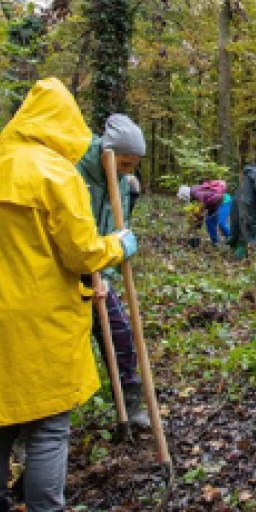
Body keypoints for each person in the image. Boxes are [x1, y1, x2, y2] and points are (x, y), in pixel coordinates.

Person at [0, 78, 137, 512]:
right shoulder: (55, 174)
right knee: (48, 429)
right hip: (39, 324)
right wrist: (120, 244)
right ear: (64, 124)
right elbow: (82, 253)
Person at [75, 114, 150, 429]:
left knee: (120, 332)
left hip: (100, 269)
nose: (129, 172)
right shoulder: (74, 173)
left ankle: (130, 407)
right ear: (107, 152)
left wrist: (105, 276)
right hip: (70, 271)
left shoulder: (119, 180)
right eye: (125, 163)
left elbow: (114, 227)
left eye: (133, 165)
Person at [229, 152, 256, 258]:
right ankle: (239, 254)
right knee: (247, 226)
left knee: (237, 224)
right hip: (247, 203)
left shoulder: (246, 172)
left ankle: (234, 246)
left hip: (237, 200)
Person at [179, 179, 231, 245]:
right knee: (209, 222)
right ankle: (215, 242)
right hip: (213, 205)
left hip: (224, 201)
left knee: (221, 222)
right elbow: (199, 208)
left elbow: (201, 207)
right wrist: (196, 219)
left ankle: (232, 238)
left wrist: (198, 218)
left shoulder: (197, 194)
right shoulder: (195, 192)